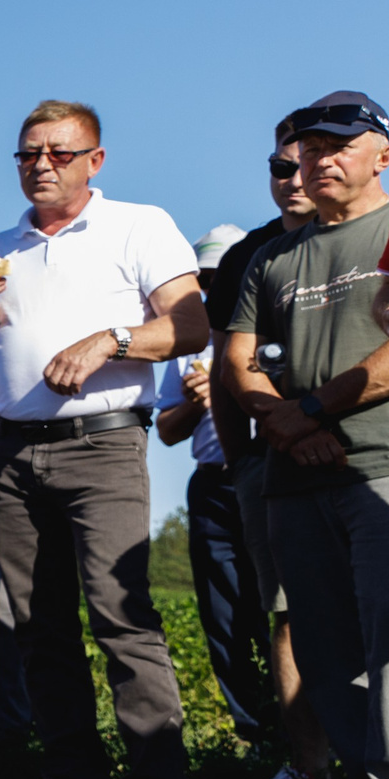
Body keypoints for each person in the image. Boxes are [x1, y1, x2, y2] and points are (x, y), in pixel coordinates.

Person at [0, 99, 205, 779]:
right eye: (29, 154)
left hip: (102, 445)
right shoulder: (1, 248)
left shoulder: (138, 225)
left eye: (59, 153)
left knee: (121, 616)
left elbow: (190, 325)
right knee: (37, 626)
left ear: (95, 159)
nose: (42, 166)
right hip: (12, 449)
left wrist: (111, 339)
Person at [222, 92, 389, 779]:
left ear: (382, 155)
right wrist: (289, 422)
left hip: (386, 462)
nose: (319, 158)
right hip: (296, 475)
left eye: (339, 144)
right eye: (308, 146)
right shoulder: (273, 256)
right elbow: (237, 361)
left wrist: (313, 410)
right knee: (323, 638)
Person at [214, 132, 337, 779]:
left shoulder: (376, 238)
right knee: (287, 616)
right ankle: (311, 773)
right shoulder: (247, 257)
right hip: (270, 462)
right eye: (279, 166)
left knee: (381, 610)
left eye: (306, 165)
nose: (292, 178)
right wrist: (241, 463)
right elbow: (223, 368)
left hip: (361, 452)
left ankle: (381, 774)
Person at [157, 237, 271, 741]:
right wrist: (198, 402)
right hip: (211, 484)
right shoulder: (189, 347)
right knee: (224, 617)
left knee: (280, 609)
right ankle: (254, 734)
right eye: (203, 279)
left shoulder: (266, 328)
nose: (210, 287)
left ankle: (301, 737)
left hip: (266, 475)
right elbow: (166, 430)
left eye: (219, 277)